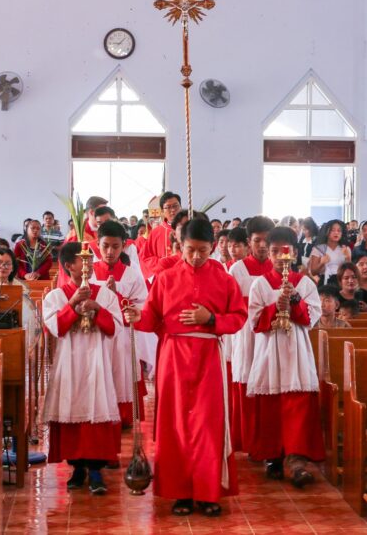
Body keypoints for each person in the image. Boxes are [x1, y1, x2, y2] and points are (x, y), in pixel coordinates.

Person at [124, 218, 247, 517]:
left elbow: (239, 316)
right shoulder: (165, 279)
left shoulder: (224, 278)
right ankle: (180, 492)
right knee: (175, 423)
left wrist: (212, 319)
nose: (196, 256)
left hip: (208, 356)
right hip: (174, 356)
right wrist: (136, 315)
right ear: (180, 246)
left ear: (213, 247)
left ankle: (208, 493)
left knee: (207, 424)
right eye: (190, 250)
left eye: (203, 250)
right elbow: (152, 318)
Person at [246, 226, 325, 488]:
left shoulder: (304, 283)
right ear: (267, 253)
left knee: (297, 404)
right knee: (271, 406)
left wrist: (293, 302)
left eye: (285, 251)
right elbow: (255, 322)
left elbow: (311, 318)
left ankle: (297, 459)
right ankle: (273, 456)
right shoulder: (259, 284)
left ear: (295, 252)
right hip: (269, 349)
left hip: (296, 350)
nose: (281, 256)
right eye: (275, 251)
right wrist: (274, 308)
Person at [42, 242, 123, 494]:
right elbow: (54, 328)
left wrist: (97, 308)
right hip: (70, 361)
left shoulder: (104, 294)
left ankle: (97, 470)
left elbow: (115, 328)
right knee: (71, 407)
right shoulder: (56, 295)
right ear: (69, 266)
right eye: (81, 260)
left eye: (89, 260)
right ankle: (77, 467)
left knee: (97, 407)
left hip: (97, 359)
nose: (88, 265)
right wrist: (72, 305)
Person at [90, 220, 151, 427]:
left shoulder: (132, 274)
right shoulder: (88, 271)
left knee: (122, 372)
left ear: (123, 245)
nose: (110, 251)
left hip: (123, 335)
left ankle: (123, 416)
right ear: (98, 244)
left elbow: (142, 305)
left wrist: (117, 294)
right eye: (105, 246)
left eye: (115, 246)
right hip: (96, 334)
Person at [228, 215, 274, 454]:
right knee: (246, 382)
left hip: (270, 335)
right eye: (257, 241)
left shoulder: (279, 266)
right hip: (246, 333)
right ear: (249, 242)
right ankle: (246, 439)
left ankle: (267, 443)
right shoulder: (237, 269)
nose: (263, 246)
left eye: (267, 241)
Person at [309, 219, 351, 286]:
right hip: (325, 282)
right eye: (333, 230)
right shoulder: (319, 248)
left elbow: (350, 270)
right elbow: (313, 272)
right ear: (327, 232)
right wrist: (322, 263)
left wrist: (348, 258)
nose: (336, 233)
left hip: (342, 281)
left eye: (339, 230)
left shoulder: (345, 248)